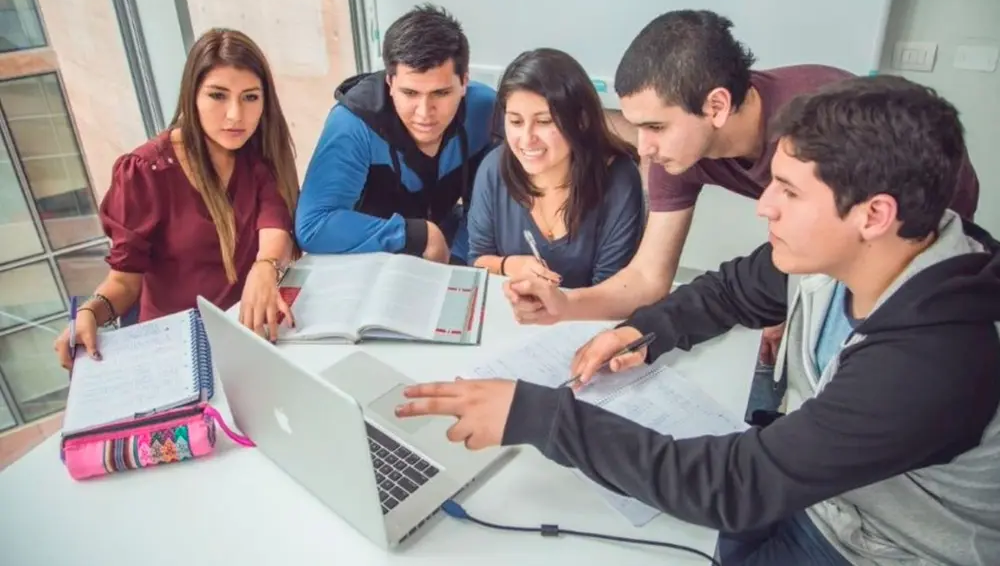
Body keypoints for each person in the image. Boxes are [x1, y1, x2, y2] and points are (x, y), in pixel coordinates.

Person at [394, 76, 1000, 565]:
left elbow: (739, 485)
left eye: (788, 192)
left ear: (874, 214)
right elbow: (731, 291)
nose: (764, 204)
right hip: (820, 495)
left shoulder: (933, 362)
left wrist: (535, 413)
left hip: (871, 547)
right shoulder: (848, 252)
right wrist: (643, 331)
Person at [503, 9, 982, 416]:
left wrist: (804, 304)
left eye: (654, 127)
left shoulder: (815, 125)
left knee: (866, 373)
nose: (643, 148)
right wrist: (569, 306)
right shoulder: (678, 150)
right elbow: (652, 278)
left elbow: (885, 249)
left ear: (716, 105)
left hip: (922, 219)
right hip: (833, 257)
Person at [53, 28, 299, 367]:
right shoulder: (144, 172)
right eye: (217, 95)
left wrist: (264, 267)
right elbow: (124, 283)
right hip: (174, 349)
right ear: (192, 96)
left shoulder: (258, 154)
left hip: (245, 336)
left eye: (250, 97)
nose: (235, 115)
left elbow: (275, 227)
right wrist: (90, 313)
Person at [295, 4, 497, 264]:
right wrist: (417, 235)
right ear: (390, 83)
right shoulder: (352, 123)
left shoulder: (487, 110)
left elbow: (488, 209)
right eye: (410, 93)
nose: (425, 112)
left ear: (464, 82)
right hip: (369, 253)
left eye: (441, 93)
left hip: (450, 242)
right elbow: (313, 226)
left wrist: (459, 261)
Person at [467, 48, 644, 289]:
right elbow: (477, 261)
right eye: (516, 122)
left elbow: (612, 289)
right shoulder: (493, 169)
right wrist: (509, 266)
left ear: (580, 121)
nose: (527, 138)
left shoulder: (619, 179)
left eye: (543, 121)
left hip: (587, 319)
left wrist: (556, 305)